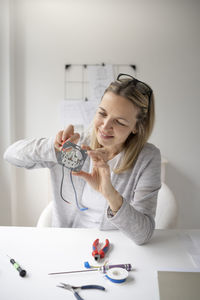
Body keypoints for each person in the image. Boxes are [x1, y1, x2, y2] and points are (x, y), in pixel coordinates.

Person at [4, 73, 161, 245]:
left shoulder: (147, 158)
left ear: (136, 128)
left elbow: (143, 235)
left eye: (120, 122)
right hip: (68, 243)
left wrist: (110, 194)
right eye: (102, 113)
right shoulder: (76, 145)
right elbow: (11, 155)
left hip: (117, 247)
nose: (105, 126)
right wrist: (52, 148)